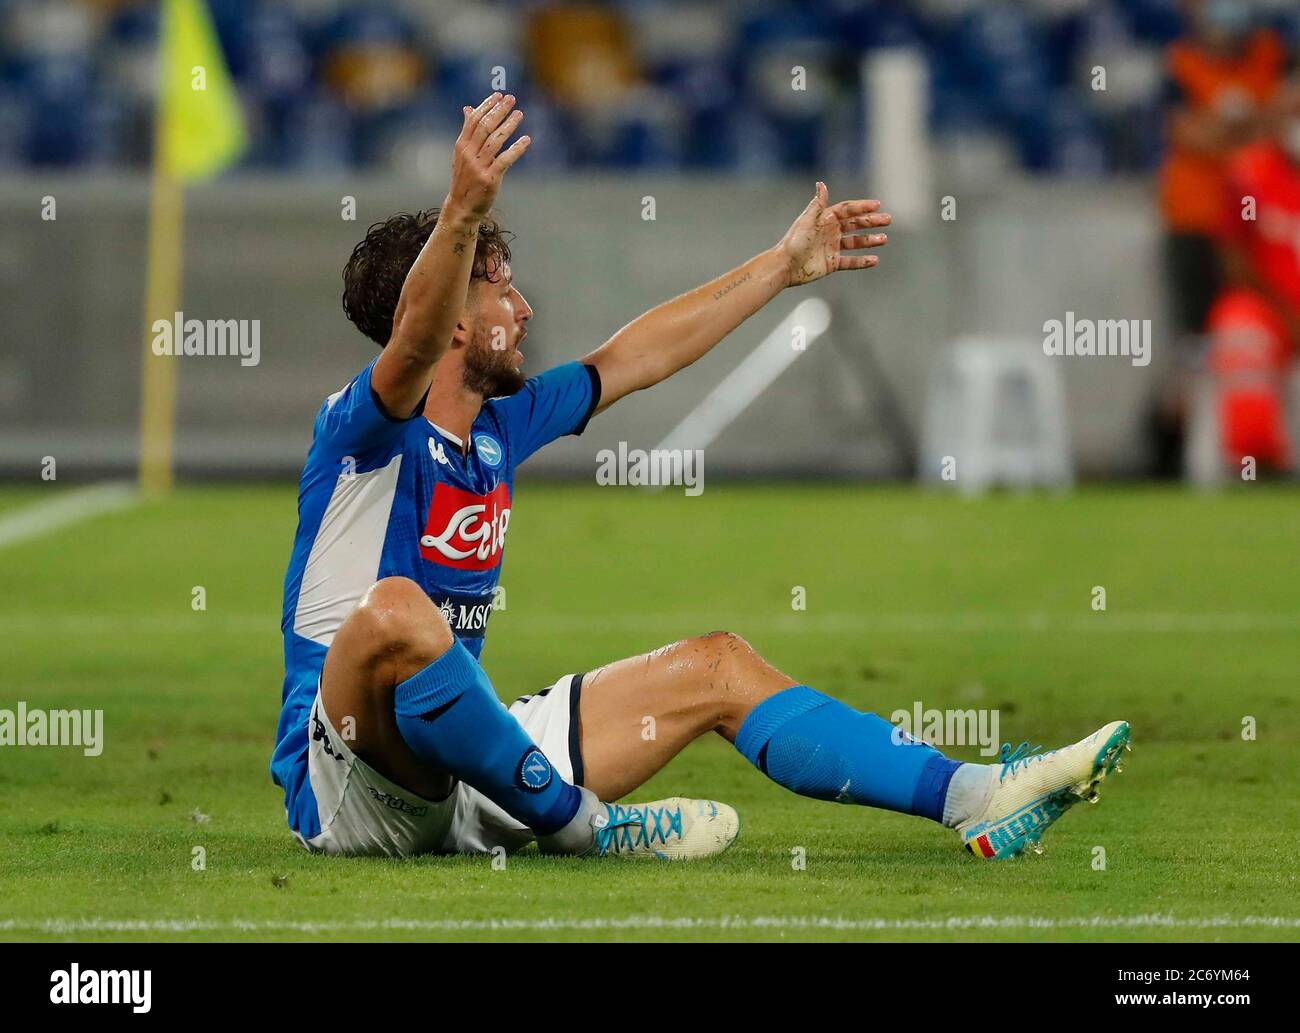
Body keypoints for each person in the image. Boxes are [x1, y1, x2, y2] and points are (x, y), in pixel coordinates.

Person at [270, 92, 1131, 863]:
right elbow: (412, 346)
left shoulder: (500, 424)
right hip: (344, 781)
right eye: (500, 291)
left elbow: (635, 357)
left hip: (456, 772)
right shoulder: (362, 430)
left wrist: (782, 268)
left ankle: (976, 796)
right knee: (395, 611)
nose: (524, 308)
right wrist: (460, 212)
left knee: (717, 664)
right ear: (453, 318)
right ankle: (588, 828)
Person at [1150, 0, 1289, 475]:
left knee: (1249, 333)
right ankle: (1177, 453)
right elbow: (1189, 135)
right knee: (1196, 345)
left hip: (1258, 230)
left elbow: (1279, 122)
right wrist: (1249, 129)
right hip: (1196, 220)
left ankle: (1256, 450)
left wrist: (1232, 129)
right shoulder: (1179, 63)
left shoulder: (1270, 54)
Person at [1207, 79, 1300, 471]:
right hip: (1273, 310)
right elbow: (1236, 257)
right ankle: (1257, 460)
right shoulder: (1250, 176)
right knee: (1240, 325)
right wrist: (1284, 313)